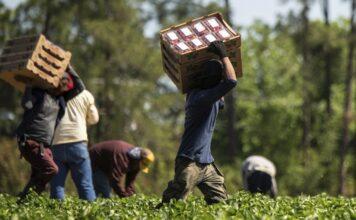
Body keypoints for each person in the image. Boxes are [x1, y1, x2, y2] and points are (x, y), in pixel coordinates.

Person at [158, 41, 237, 206]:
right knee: (173, 204)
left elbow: (223, 94)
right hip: (190, 162)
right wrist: (223, 55)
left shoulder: (210, 96)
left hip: (206, 163)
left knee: (221, 203)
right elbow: (231, 82)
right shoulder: (199, 98)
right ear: (214, 79)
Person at [16, 71, 73, 199]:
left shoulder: (60, 102)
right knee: (52, 169)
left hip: (45, 146)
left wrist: (68, 68)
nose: (61, 88)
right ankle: (25, 199)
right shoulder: (39, 93)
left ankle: (25, 204)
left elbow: (79, 87)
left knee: (37, 176)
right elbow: (26, 104)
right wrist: (28, 87)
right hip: (30, 141)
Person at [50, 65, 99, 201]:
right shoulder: (85, 94)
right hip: (77, 143)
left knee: (57, 186)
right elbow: (94, 119)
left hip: (56, 144)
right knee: (85, 185)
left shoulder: (52, 95)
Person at [89, 140, 155, 198]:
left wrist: (131, 196)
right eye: (141, 165)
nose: (139, 168)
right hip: (95, 161)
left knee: (107, 193)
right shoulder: (122, 157)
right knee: (104, 194)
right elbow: (114, 179)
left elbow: (130, 182)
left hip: (107, 165)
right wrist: (123, 195)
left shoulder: (136, 162)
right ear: (138, 159)